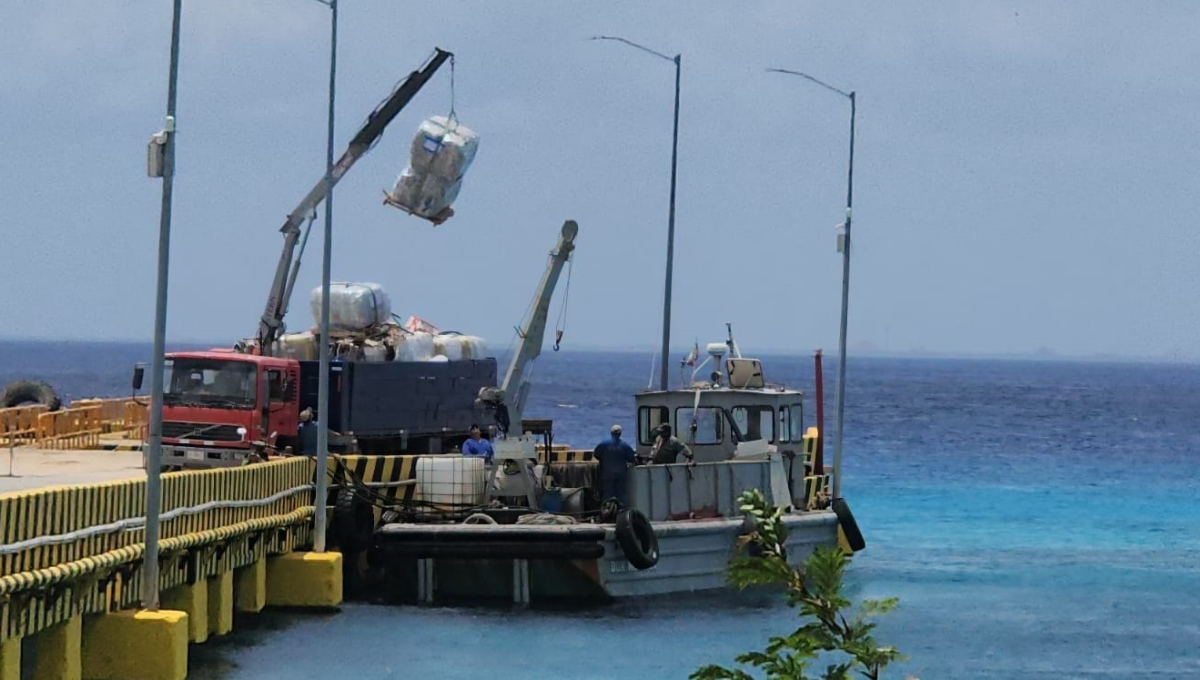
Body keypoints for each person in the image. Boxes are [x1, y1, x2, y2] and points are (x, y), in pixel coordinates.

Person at [594, 424, 637, 509]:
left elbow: (596, 454)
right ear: (620, 434)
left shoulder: (603, 444)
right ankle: (622, 512)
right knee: (621, 494)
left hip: (607, 473)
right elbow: (631, 459)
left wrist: (603, 460)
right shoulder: (625, 445)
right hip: (621, 474)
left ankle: (605, 512)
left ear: (611, 433)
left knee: (607, 494)